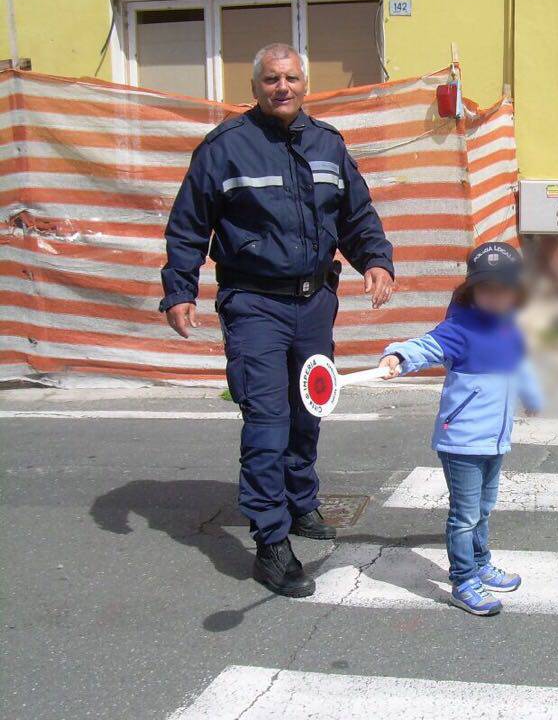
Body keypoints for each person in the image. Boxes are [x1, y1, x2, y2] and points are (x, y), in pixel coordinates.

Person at [159, 43, 395, 598]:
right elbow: (188, 225)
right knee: (267, 421)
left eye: (290, 78)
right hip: (255, 306)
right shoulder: (224, 150)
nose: (281, 87)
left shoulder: (329, 146)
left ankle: (298, 501)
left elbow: (356, 215)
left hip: (314, 304)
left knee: (309, 408)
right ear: (256, 86)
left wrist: (377, 260)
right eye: (271, 79)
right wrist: (180, 289)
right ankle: (270, 541)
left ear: (304, 84)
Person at [378, 242, 543, 616]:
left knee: (484, 509)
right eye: (488, 288)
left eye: (504, 288)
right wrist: (397, 356)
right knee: (465, 514)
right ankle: (463, 579)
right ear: (472, 290)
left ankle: (482, 563)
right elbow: (425, 346)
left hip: (495, 440)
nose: (496, 296)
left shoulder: (512, 327)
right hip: (462, 441)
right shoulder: (460, 328)